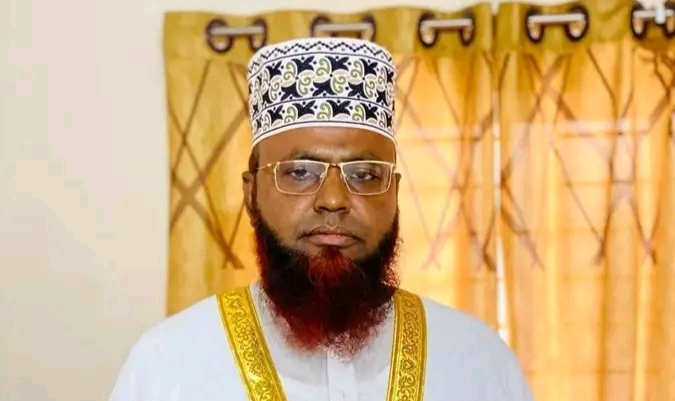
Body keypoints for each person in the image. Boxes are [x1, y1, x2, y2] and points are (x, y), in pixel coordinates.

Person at [109, 37, 534, 401]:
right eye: (300, 172)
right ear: (251, 194)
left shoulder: (478, 364)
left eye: (364, 174)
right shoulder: (167, 366)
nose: (333, 200)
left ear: (394, 193)